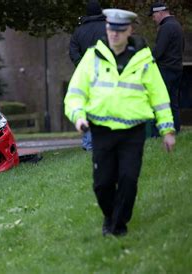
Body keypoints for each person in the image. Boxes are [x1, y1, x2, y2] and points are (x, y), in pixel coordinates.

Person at [64, 8, 176, 236]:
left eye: (120, 30)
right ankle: (111, 216)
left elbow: (159, 96)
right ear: (106, 29)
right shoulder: (92, 56)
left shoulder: (143, 59)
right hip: (101, 129)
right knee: (102, 184)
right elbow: (75, 92)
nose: (114, 34)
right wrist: (78, 115)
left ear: (130, 31)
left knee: (128, 179)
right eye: (110, 29)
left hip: (133, 131)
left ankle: (117, 225)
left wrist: (167, 129)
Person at [69, 0, 106, 151]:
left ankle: (89, 142)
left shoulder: (79, 31)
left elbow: (73, 52)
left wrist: (81, 65)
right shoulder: (108, 28)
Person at [150, 2, 184, 134]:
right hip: (177, 68)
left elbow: (158, 51)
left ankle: (155, 134)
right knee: (174, 103)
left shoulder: (166, 27)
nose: (153, 19)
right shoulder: (177, 25)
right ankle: (176, 130)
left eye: (153, 15)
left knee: (159, 102)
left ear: (160, 13)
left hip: (165, 70)